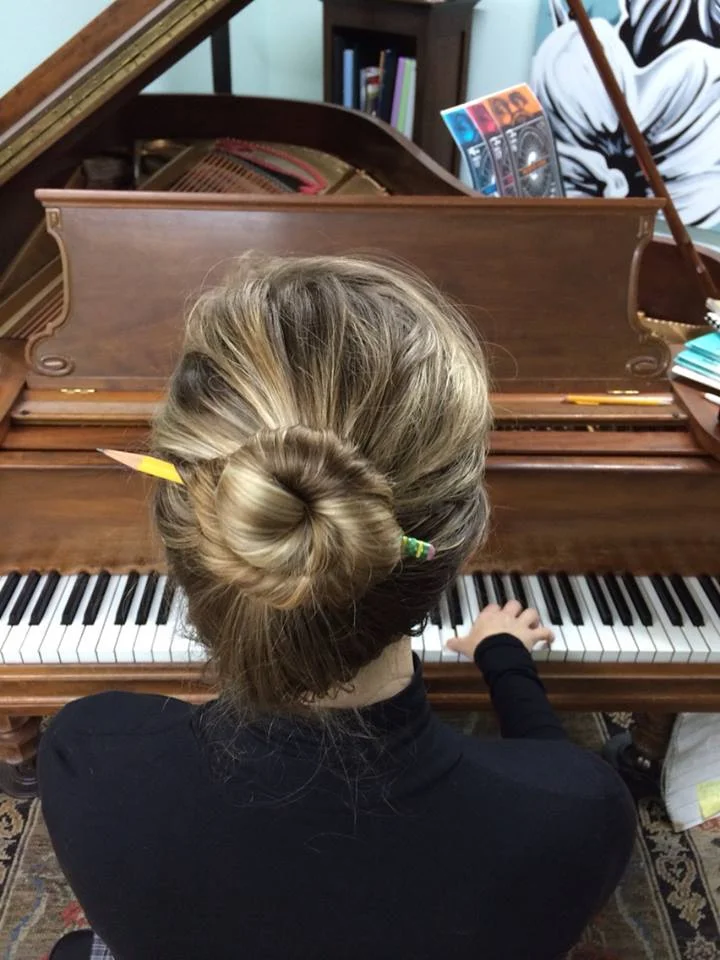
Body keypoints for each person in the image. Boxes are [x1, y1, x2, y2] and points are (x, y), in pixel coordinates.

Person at [39, 254, 636, 960]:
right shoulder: (577, 815)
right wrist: (502, 657)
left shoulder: (88, 753)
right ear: (456, 547)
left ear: (199, 531)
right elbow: (552, 772)